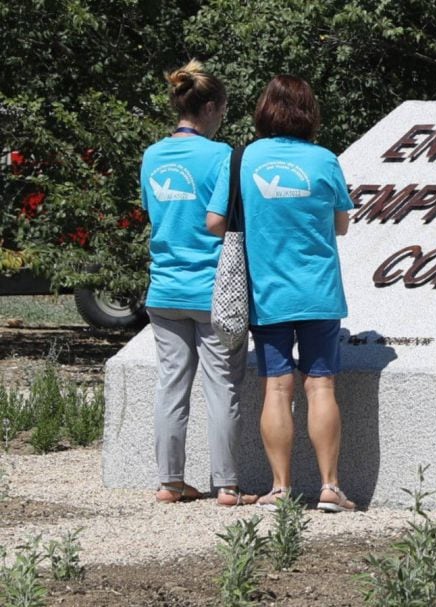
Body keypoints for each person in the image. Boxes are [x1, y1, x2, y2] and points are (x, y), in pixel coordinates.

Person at [206, 75, 355, 512]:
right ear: (309, 112)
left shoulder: (244, 159)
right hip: (320, 291)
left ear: (265, 109)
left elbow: (215, 222)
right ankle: (330, 488)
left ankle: (280, 488)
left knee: (277, 388)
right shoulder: (325, 160)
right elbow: (341, 223)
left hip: (268, 291)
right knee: (321, 385)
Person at [141, 60, 255, 506]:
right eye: (223, 109)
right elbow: (219, 222)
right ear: (210, 107)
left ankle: (170, 482)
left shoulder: (152, 155)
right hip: (211, 289)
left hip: (164, 287)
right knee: (222, 387)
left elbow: (156, 213)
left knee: (171, 386)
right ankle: (227, 485)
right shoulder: (223, 156)